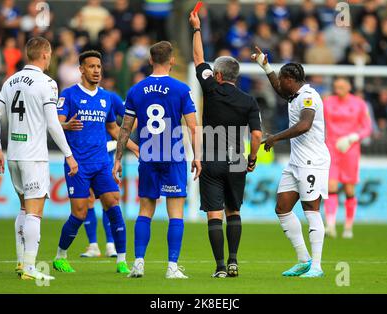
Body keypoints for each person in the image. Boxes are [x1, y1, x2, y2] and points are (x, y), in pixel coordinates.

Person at [0, 37, 78, 281]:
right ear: (46, 55)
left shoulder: (11, 80)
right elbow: (52, 124)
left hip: (14, 155)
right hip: (34, 157)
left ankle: (21, 263)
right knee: (35, 213)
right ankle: (29, 268)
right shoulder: (47, 83)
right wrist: (69, 155)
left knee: (24, 208)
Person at [113, 41, 202, 279]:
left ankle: (139, 263)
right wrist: (198, 157)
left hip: (148, 155)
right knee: (176, 213)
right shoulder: (181, 89)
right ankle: (172, 267)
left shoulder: (136, 90)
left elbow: (125, 128)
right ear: (172, 60)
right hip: (173, 155)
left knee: (145, 210)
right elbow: (193, 127)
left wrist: (118, 158)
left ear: (150, 60)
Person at [189, 12, 262, 278]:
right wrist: (251, 159)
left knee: (214, 215)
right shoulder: (249, 101)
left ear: (218, 75)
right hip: (236, 160)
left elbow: (199, 59)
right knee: (234, 211)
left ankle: (219, 267)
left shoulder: (210, 87)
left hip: (210, 158)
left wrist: (197, 29)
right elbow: (256, 135)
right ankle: (233, 261)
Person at [53, 50, 138, 274]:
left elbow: (113, 128)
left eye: (99, 67)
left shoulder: (107, 98)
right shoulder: (69, 95)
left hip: (102, 163)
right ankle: (60, 256)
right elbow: (55, 123)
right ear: (81, 69)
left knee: (113, 204)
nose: (96, 70)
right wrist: (65, 125)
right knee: (79, 213)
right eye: (91, 66)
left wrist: (134, 146)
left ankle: (121, 260)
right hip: (77, 164)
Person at [252, 46, 330, 278]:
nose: (280, 85)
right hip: (296, 162)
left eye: (282, 79)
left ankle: (316, 266)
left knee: (311, 210)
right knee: (282, 208)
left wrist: (275, 137)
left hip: (312, 161)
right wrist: (265, 66)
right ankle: (304, 260)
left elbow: (304, 125)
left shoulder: (308, 97)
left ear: (290, 79)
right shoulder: (294, 94)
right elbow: (278, 89)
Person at [80, 86, 139, 258]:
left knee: (109, 199)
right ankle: (93, 245)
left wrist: (123, 137)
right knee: (88, 199)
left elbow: (131, 116)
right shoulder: (76, 96)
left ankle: (110, 244)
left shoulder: (110, 97)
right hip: (88, 153)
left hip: (108, 153)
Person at [323, 78, 372, 239]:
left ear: (349, 87)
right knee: (331, 186)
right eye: (336, 86)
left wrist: (353, 137)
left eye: (342, 86)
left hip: (350, 150)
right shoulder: (328, 102)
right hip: (332, 148)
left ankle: (348, 226)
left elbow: (367, 128)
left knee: (349, 188)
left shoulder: (359, 104)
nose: (339, 89)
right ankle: (330, 224)